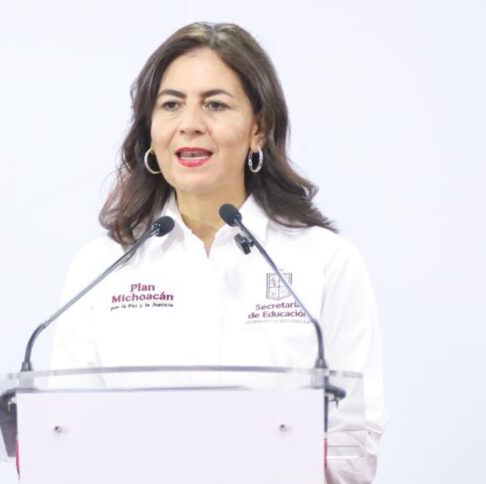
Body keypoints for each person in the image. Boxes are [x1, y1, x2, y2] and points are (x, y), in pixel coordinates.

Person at [49, 22, 387, 484]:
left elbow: (353, 446)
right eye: (171, 104)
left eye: (215, 104)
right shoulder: (100, 267)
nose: (189, 123)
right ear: (150, 130)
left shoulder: (326, 263)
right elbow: (64, 441)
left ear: (258, 129)